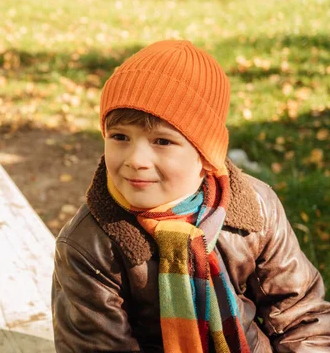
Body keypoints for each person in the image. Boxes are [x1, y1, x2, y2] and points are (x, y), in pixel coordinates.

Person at [51, 40, 330, 352]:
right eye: (119, 137)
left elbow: (301, 317)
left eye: (162, 141)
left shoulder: (257, 208)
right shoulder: (89, 244)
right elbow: (97, 345)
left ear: (205, 154)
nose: (136, 159)